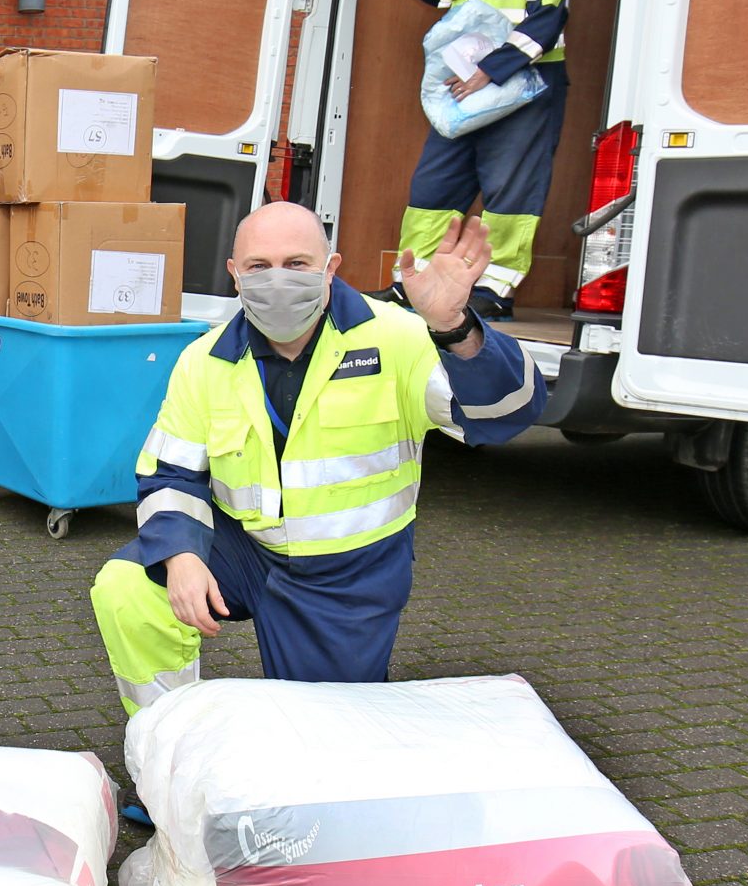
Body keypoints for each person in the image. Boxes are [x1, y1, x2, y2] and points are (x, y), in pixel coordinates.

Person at [91, 202, 544, 720]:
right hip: (246, 551)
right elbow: (170, 474)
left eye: (298, 263)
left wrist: (455, 329)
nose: (278, 279)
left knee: (329, 737)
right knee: (129, 587)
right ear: (235, 276)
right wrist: (181, 556)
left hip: (348, 575)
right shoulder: (206, 359)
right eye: (259, 266)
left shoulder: (396, 337)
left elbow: (508, 415)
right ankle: (168, 753)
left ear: (331, 269)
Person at [390, 0, 575, 319]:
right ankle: (411, 283)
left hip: (524, 94)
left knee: (511, 191)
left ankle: (494, 291)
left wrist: (488, 73)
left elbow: (548, 20)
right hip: (466, 95)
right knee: (432, 185)